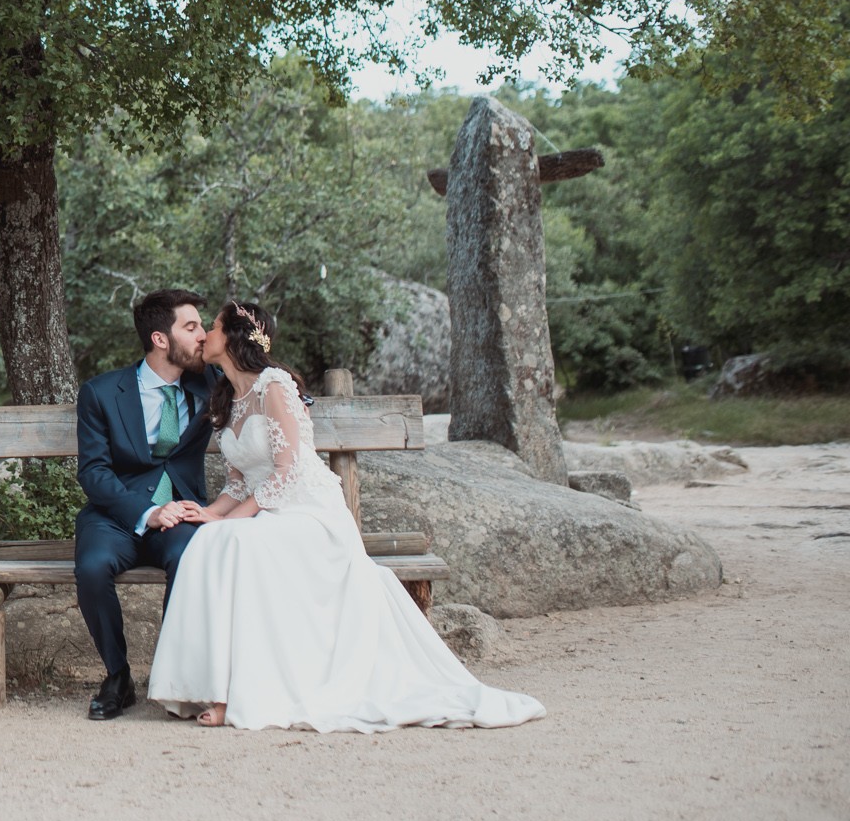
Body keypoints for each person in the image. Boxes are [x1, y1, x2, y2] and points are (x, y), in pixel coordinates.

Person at [146, 301, 546, 732]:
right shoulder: (227, 396)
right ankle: (214, 686)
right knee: (205, 539)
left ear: (237, 338)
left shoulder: (274, 386)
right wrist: (209, 514)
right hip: (267, 513)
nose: (205, 335)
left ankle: (241, 693)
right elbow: (239, 483)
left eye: (215, 328)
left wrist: (231, 521)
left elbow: (287, 472)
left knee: (236, 541)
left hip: (308, 512)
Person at [73, 288, 221, 721]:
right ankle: (117, 676)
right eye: (191, 327)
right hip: (116, 513)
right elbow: (93, 472)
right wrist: (147, 512)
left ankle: (174, 673)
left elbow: (260, 383)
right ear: (160, 339)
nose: (200, 336)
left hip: (182, 512)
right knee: (93, 566)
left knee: (191, 557)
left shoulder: (211, 383)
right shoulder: (101, 393)